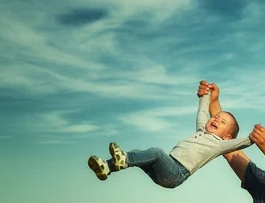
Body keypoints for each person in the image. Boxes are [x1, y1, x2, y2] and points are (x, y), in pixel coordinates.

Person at [87, 81, 253, 189]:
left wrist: (253, 137)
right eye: (216, 116)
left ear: (227, 137)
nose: (216, 119)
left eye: (222, 122)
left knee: (156, 152)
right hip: (167, 168)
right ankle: (107, 167)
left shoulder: (219, 144)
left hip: (176, 172)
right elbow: (202, 112)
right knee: (142, 156)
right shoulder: (202, 130)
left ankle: (123, 160)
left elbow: (240, 143)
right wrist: (206, 95)